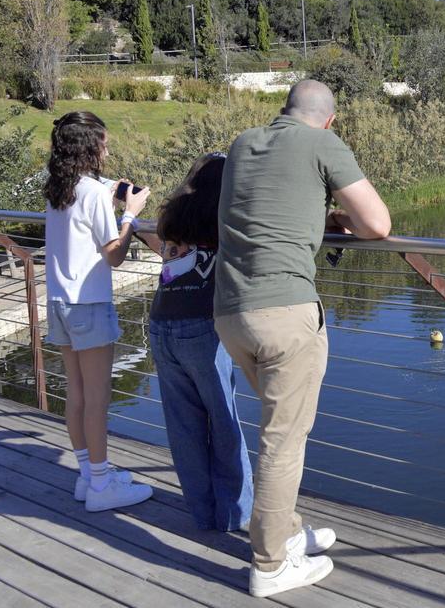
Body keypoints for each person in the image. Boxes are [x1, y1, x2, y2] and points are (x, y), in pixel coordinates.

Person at [214, 79, 391, 598]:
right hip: (285, 312)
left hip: (230, 312)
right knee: (283, 442)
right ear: (329, 120)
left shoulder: (244, 143)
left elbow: (263, 209)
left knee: (275, 431)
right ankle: (270, 566)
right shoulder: (324, 143)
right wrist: (339, 218)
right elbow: (378, 223)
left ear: (284, 110)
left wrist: (318, 213)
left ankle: (286, 533)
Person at [43, 111, 154, 512]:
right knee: (98, 398)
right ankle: (103, 486)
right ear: (90, 148)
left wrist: (112, 190)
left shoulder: (58, 187)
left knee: (75, 394)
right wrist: (130, 213)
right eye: (104, 143)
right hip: (89, 304)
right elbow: (115, 256)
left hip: (59, 300)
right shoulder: (91, 194)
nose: (108, 149)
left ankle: (88, 476)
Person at [137, 153, 253, 532]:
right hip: (202, 328)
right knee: (224, 423)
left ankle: (203, 514)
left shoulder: (174, 216)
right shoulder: (224, 220)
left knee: (184, 427)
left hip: (161, 325)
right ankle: (236, 516)